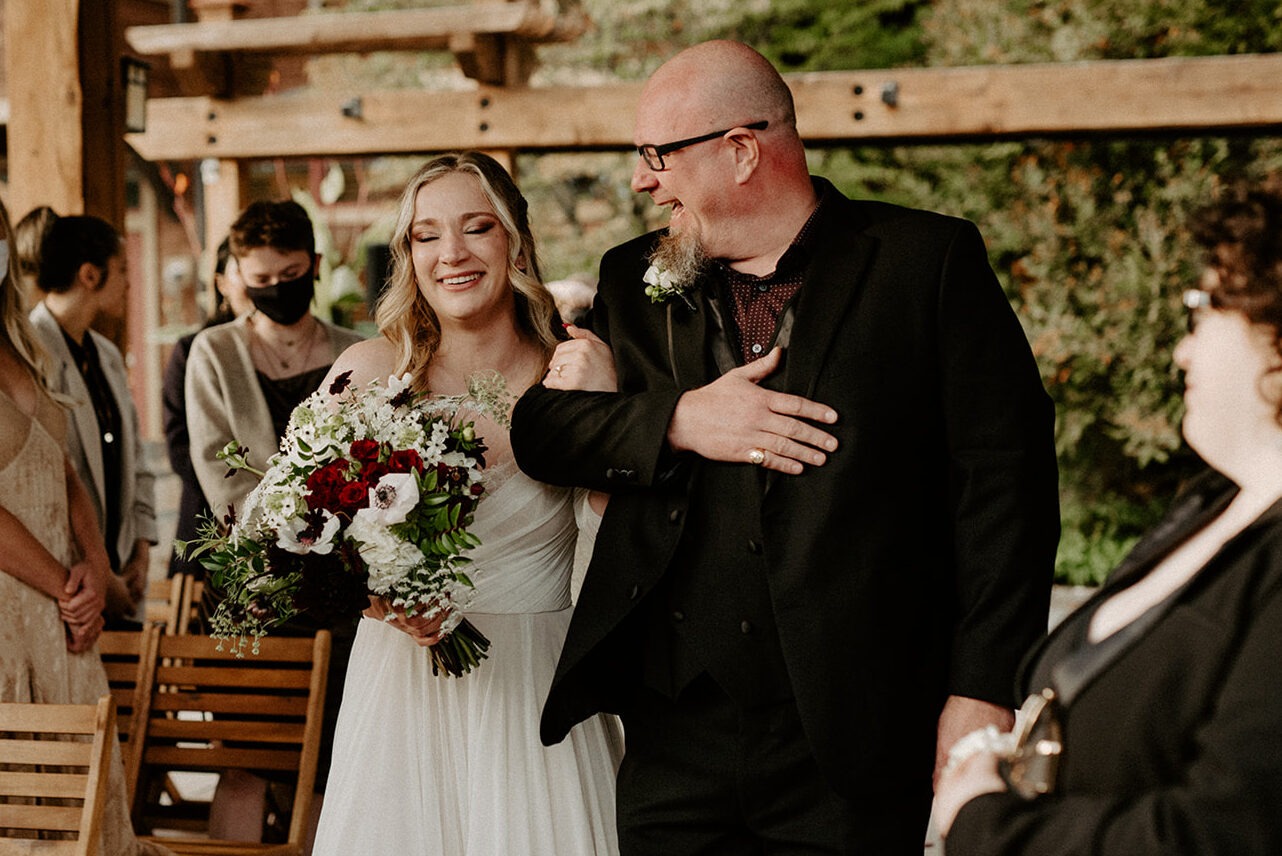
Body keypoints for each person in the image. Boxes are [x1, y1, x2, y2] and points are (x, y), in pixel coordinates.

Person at [509, 39, 1061, 854]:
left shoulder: (925, 262)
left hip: (857, 731)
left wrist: (982, 690)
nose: (640, 180)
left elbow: (1007, 491)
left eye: (656, 154)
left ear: (741, 150)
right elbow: (543, 431)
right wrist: (678, 421)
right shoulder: (633, 277)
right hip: (676, 731)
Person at [934, 186, 1282, 855]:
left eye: (1202, 311)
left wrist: (985, 823)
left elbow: (1223, 834)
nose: (1183, 351)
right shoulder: (1212, 501)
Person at [311, 152, 622, 855]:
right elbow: (307, 537)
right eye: (426, 235)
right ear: (408, 252)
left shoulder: (573, 371)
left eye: (476, 227)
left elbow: (620, 544)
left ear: (514, 240)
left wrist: (605, 420)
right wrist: (381, 602)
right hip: (400, 688)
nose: (451, 253)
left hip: (534, 683)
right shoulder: (368, 374)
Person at [183, 199, 363, 844]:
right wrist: (282, 540)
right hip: (251, 588)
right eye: (260, 280)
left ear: (314, 266)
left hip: (342, 591)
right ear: (237, 276)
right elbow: (220, 472)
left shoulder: (357, 351)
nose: (276, 290)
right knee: (244, 763)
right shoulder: (214, 352)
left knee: (321, 765)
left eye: (289, 274)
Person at [0, 194, 172, 856]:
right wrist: (68, 588)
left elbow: (66, 468)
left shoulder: (19, 344)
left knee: (83, 814)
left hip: (66, 617)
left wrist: (95, 568)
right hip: (19, 608)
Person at [28, 213, 158, 628]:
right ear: (89, 274)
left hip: (121, 569)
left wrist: (140, 548)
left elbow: (135, 458)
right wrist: (101, 575)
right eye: (121, 270)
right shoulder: (28, 351)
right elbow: (47, 481)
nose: (128, 283)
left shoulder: (106, 354)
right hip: (71, 583)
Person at [162, 238, 253, 579]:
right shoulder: (194, 350)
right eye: (244, 272)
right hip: (210, 524)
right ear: (221, 282)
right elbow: (179, 444)